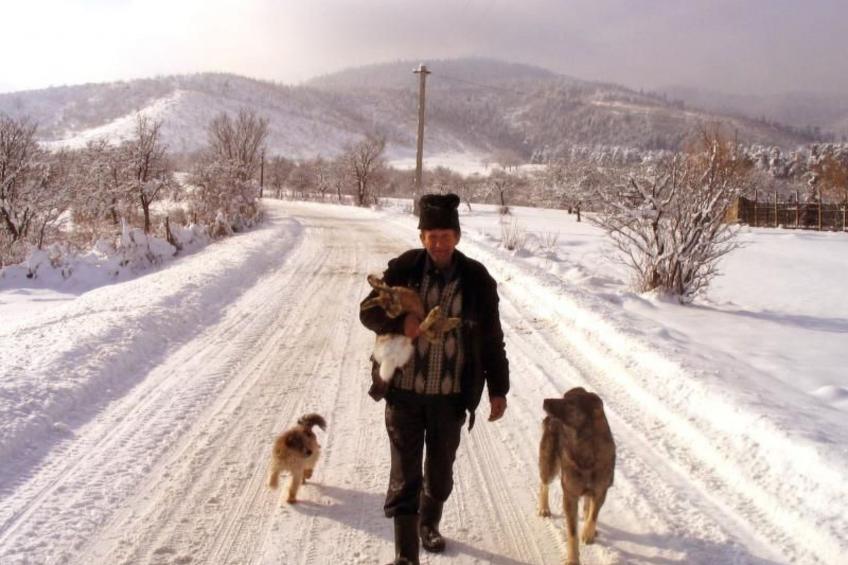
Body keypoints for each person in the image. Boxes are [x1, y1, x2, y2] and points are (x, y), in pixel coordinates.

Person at [360, 193, 510, 565]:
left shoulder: (476, 280)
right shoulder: (404, 268)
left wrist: (498, 389)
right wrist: (403, 323)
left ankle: (429, 522)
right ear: (422, 236)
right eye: (432, 235)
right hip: (404, 394)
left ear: (456, 236)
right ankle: (406, 555)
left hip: (450, 397)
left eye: (445, 235)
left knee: (439, 476)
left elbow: (492, 338)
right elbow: (367, 312)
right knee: (405, 475)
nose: (439, 243)